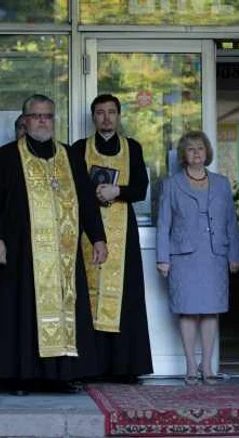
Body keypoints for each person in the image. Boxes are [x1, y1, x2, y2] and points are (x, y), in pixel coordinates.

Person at [0, 94, 107, 396]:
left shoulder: (70, 156)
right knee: (22, 312)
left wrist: (98, 237)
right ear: (24, 120)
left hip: (64, 256)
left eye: (47, 116)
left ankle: (61, 375)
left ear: (54, 120)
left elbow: (88, 200)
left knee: (66, 311)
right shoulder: (7, 156)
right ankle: (20, 377)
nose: (42, 121)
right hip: (21, 254)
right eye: (36, 116)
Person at [71, 94, 152, 383]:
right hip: (87, 232)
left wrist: (117, 192)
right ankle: (89, 367)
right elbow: (75, 189)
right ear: (93, 117)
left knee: (124, 297)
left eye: (111, 113)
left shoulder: (133, 148)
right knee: (87, 296)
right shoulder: (79, 149)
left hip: (123, 234)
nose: (106, 118)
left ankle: (124, 367)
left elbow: (141, 189)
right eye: (100, 113)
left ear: (119, 117)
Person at [156, 130, 239, 385]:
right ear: (184, 154)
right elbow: (163, 224)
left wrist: (234, 255)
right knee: (188, 312)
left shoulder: (222, 183)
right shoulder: (172, 184)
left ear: (207, 153)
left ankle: (208, 366)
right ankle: (191, 366)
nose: (196, 153)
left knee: (210, 312)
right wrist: (163, 258)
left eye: (201, 149)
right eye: (191, 149)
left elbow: (230, 222)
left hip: (215, 255)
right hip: (183, 256)